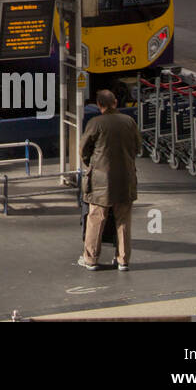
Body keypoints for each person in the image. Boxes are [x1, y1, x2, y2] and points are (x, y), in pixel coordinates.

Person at [78, 89, 143, 272]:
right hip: (125, 177)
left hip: (100, 180)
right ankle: (123, 260)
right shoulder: (129, 121)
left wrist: (90, 164)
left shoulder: (95, 123)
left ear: (99, 105)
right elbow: (138, 146)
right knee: (123, 220)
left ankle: (91, 259)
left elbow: (83, 150)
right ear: (115, 102)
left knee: (96, 218)